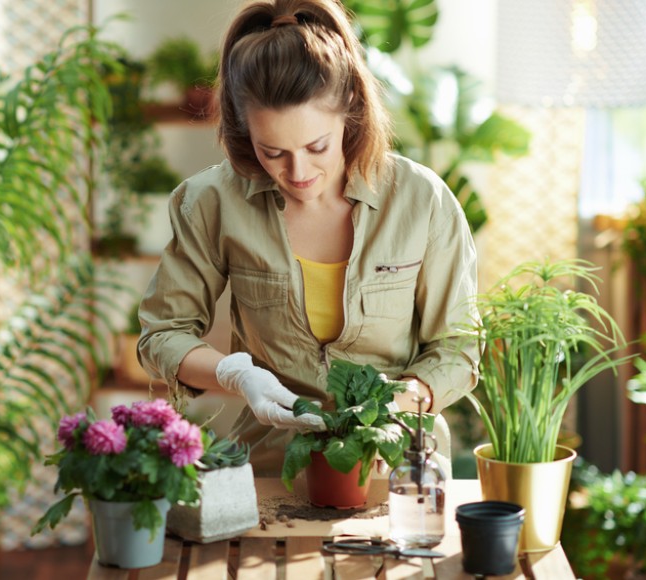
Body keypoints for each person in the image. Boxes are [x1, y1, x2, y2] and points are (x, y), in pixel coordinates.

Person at [136, 0, 479, 476]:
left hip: (395, 469)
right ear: (242, 130)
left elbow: (457, 347)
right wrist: (236, 375)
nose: (297, 172)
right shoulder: (211, 202)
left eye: (317, 146)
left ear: (351, 113)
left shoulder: (422, 201)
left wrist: (402, 401)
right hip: (273, 468)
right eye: (272, 151)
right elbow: (163, 334)